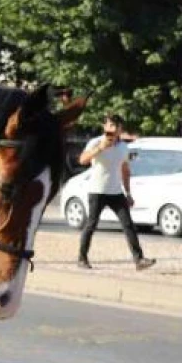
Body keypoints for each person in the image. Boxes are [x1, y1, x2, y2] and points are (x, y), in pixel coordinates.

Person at [77, 114, 155, 271]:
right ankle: (82, 258)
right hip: (97, 191)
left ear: (120, 129)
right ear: (104, 128)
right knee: (91, 224)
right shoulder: (95, 142)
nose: (111, 129)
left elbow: (125, 170)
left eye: (114, 126)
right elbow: (82, 160)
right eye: (108, 126)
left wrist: (128, 193)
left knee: (128, 225)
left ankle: (139, 260)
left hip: (116, 192)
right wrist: (100, 148)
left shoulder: (123, 147)